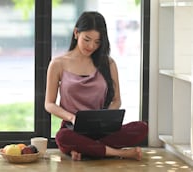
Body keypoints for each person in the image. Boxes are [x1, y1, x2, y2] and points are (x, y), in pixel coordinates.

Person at [44, 11, 148, 161]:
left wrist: (106, 117)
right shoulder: (58, 64)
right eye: (87, 39)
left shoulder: (108, 63)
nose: (91, 46)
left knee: (141, 127)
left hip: (102, 128)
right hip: (72, 129)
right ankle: (119, 153)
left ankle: (85, 150)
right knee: (62, 137)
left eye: (97, 42)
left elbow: (117, 100)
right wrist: (72, 118)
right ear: (76, 33)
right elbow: (49, 104)